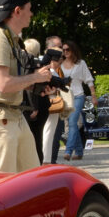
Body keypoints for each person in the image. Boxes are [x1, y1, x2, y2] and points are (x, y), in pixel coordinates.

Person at [0, 0, 51, 173]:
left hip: (12, 115)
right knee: (4, 186)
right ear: (17, 11)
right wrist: (36, 77)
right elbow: (4, 84)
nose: (31, 14)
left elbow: (12, 82)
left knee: (32, 179)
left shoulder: (12, 40)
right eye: (29, 9)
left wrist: (36, 86)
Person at [60, 40, 97, 161]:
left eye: (67, 50)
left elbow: (89, 80)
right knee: (72, 124)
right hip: (65, 97)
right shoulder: (60, 64)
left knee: (72, 123)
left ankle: (68, 151)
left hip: (78, 96)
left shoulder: (81, 63)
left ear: (73, 50)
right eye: (63, 50)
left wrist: (93, 95)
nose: (65, 52)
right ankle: (80, 151)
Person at [21, 38, 52, 165]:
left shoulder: (28, 65)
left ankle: (33, 165)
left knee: (31, 138)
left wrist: (34, 107)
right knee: (37, 137)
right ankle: (37, 164)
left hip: (32, 106)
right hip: (42, 104)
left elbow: (30, 89)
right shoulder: (42, 65)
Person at [42, 35, 65, 163]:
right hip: (49, 103)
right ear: (50, 48)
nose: (62, 50)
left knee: (54, 134)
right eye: (59, 47)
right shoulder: (45, 64)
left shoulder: (57, 66)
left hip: (55, 103)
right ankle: (46, 160)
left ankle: (50, 159)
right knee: (48, 132)